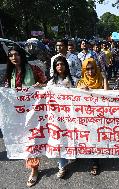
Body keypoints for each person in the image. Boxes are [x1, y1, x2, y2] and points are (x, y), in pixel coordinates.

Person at [4, 46, 47, 187]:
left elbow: (46, 85)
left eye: (16, 54)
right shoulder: (10, 72)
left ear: (22, 55)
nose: (14, 57)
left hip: (34, 112)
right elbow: (7, 92)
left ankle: (34, 170)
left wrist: (40, 85)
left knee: (33, 140)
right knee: (24, 139)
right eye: (11, 55)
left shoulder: (34, 69)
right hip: (18, 114)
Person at [77, 58, 108, 176]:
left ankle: (95, 162)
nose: (90, 71)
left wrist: (105, 79)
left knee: (96, 137)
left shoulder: (101, 79)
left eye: (92, 68)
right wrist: (81, 90)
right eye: (87, 69)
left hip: (99, 114)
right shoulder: (81, 82)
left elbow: (107, 95)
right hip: (85, 115)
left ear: (96, 67)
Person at [47, 56, 76, 178]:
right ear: (54, 67)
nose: (60, 67)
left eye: (62, 64)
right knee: (60, 139)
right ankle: (62, 166)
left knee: (72, 136)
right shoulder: (51, 82)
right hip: (57, 117)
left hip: (72, 116)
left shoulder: (73, 80)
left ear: (66, 66)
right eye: (57, 65)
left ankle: (73, 155)